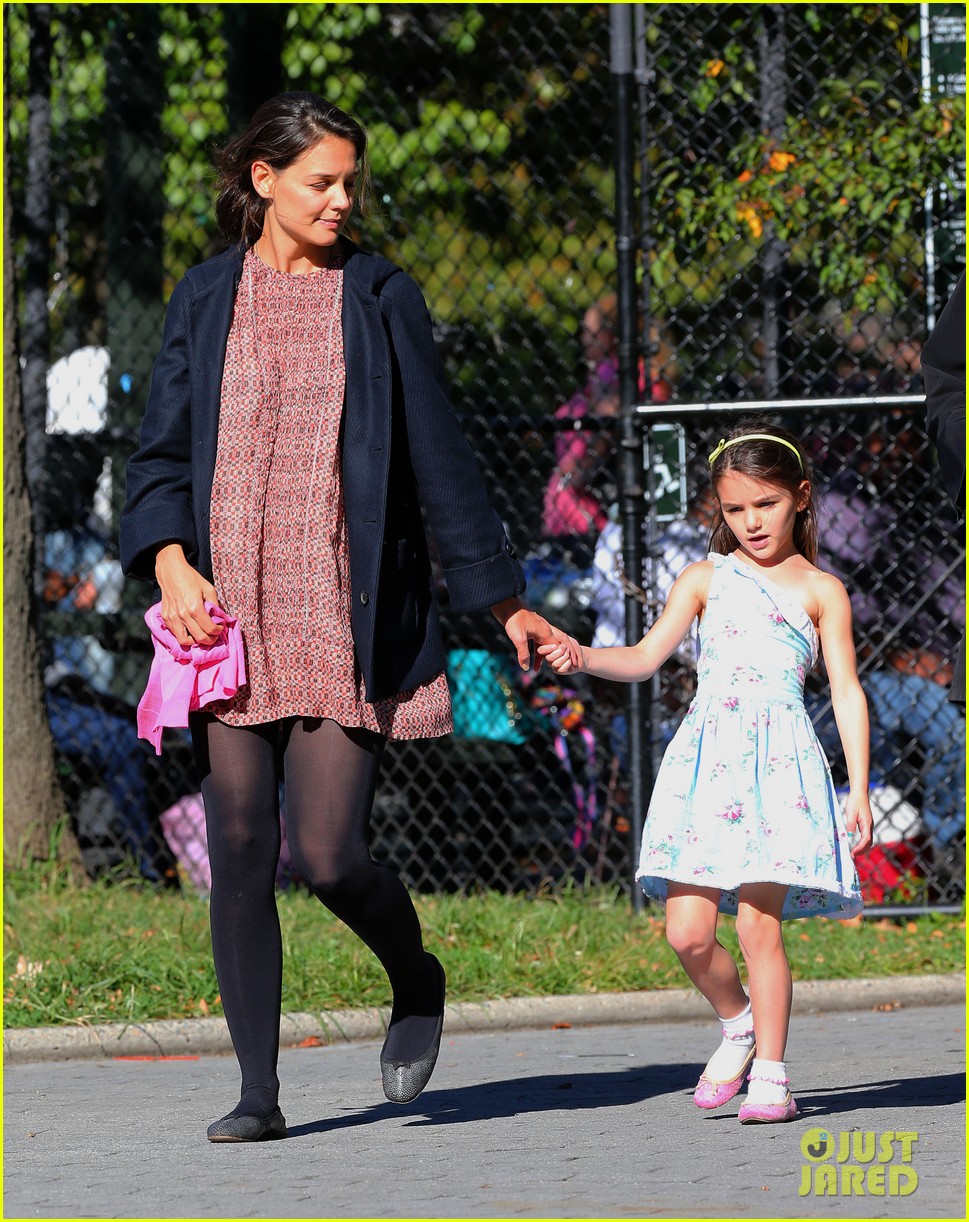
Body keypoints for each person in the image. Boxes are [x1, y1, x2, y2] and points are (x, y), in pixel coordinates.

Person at [119, 92, 568, 1143]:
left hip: (344, 607)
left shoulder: (378, 295)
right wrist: (172, 564)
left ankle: (415, 976)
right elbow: (157, 453)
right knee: (237, 836)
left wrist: (500, 600)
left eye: (349, 182)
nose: (341, 200)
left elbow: (439, 457)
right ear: (263, 181)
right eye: (321, 181)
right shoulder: (203, 297)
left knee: (326, 854)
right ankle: (258, 1093)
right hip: (227, 613)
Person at [540, 420, 873, 1124]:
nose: (751, 522)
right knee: (686, 933)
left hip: (777, 768)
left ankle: (773, 1079)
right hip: (707, 765)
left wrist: (860, 787)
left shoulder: (821, 590)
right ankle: (740, 1024)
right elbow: (641, 656)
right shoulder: (704, 578)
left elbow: (845, 689)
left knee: (758, 928)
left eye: (766, 504)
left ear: (800, 499)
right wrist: (583, 655)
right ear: (717, 512)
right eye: (734, 509)